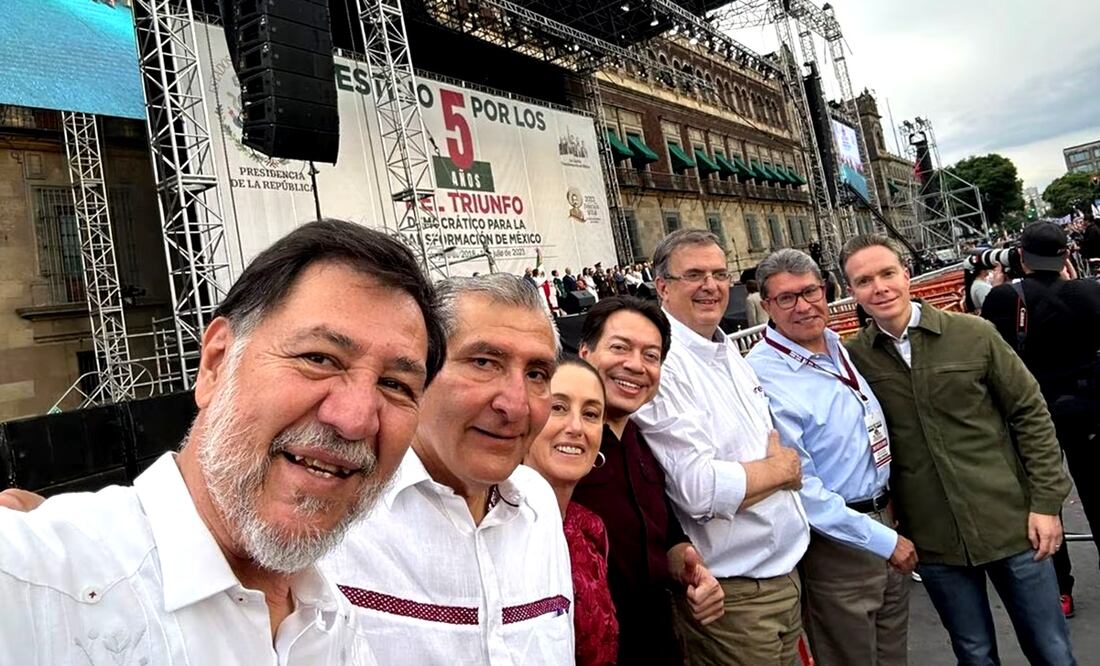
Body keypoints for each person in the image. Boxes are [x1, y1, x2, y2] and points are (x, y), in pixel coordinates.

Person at [0, 219, 446, 663]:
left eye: (396, 385)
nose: (354, 420)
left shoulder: (335, 626)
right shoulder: (31, 579)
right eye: (319, 358)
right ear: (215, 363)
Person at [841, 233, 1075, 666]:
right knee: (974, 653)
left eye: (888, 273)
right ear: (852, 291)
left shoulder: (973, 333)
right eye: (864, 280)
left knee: (1052, 650)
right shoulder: (853, 360)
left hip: (1011, 522)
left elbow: (1031, 414)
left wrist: (1046, 503)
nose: (880, 287)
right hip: (934, 540)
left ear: (906, 275)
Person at [320, 274, 574, 665]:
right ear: (420, 370)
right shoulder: (336, 516)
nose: (516, 405)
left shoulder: (538, 503)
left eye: (536, 373)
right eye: (484, 362)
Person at [633, 229, 809, 665]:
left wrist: (763, 475)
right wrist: (781, 472)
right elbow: (700, 490)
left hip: (781, 580)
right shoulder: (664, 365)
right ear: (662, 287)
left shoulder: (726, 346)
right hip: (735, 598)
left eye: (718, 273)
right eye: (694, 274)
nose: (710, 285)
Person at [746, 249, 913, 666]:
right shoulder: (761, 374)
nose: (803, 306)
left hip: (885, 519)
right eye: (787, 298)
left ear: (826, 291)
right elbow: (801, 487)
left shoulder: (839, 344)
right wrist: (885, 540)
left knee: (893, 655)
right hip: (837, 545)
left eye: (810, 292)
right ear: (766, 305)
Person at [574, 296, 725, 664]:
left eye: (651, 356)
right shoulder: (555, 445)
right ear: (584, 353)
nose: (635, 365)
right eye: (620, 348)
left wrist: (694, 572)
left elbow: (667, 537)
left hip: (659, 644)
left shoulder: (644, 440)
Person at [981, 221, 1100, 617]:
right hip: (1088, 408)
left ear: (1020, 257)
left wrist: (1002, 282)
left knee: (1046, 504)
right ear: (1066, 254)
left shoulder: (1003, 298)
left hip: (1032, 415)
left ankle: (1060, 591)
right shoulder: (1090, 292)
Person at [524, 358, 619, 666]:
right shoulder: (492, 524)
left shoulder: (590, 528)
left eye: (591, 414)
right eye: (558, 408)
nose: (576, 427)